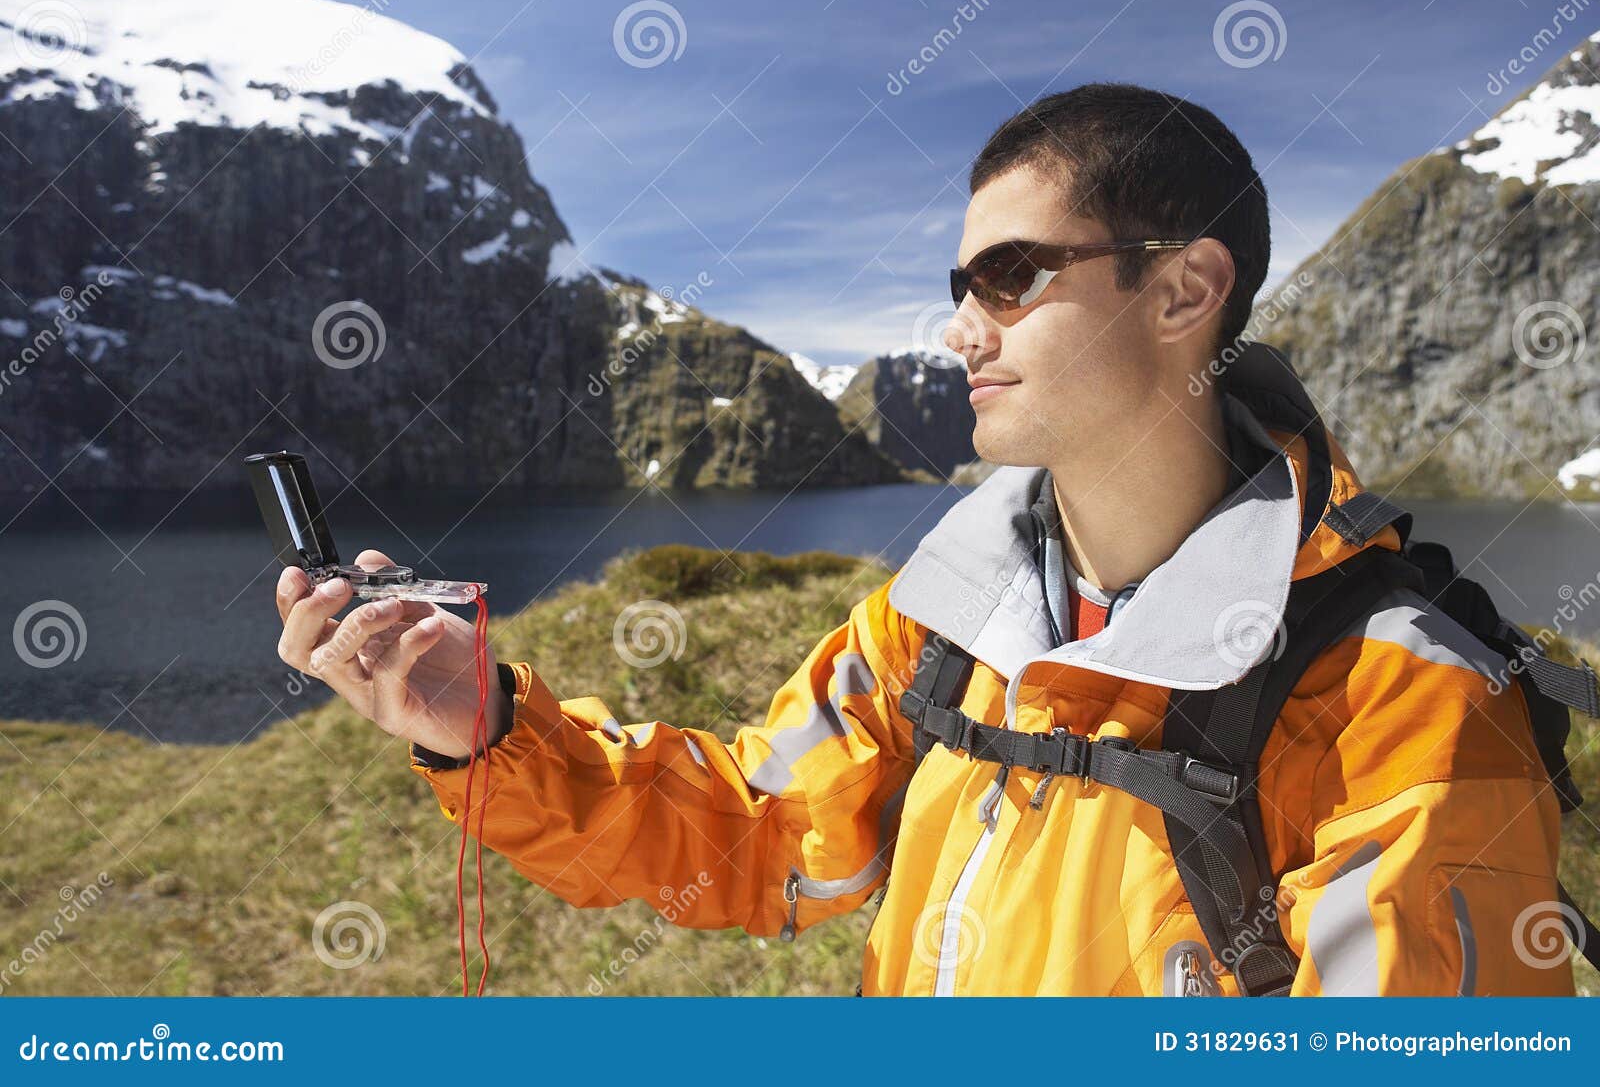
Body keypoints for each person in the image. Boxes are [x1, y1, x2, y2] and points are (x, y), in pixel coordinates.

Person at [272, 83, 1574, 996]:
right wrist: (487, 725)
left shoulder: (1407, 699)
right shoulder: (944, 612)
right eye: (960, 288)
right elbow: (758, 832)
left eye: (1010, 278)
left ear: (1183, 289)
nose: (963, 329)